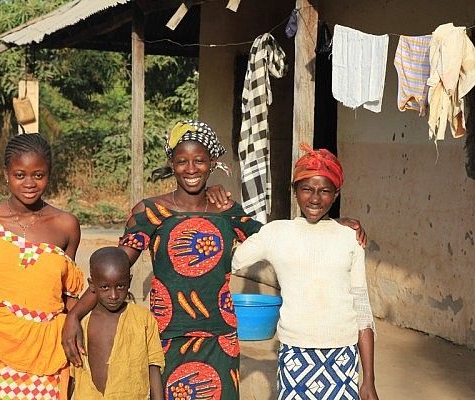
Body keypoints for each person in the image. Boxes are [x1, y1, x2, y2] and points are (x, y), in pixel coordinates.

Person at [62, 120, 365, 400]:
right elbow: (113, 271)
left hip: (220, 337)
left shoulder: (228, 211)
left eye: (200, 160)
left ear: (212, 164)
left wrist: (334, 223)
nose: (190, 168)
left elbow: (284, 237)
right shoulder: (150, 212)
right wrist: (75, 316)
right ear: (172, 164)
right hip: (166, 335)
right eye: (182, 161)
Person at [231, 144, 378, 400]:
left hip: (343, 354)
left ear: (336, 194)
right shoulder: (276, 233)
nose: (315, 199)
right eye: (307, 189)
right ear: (294, 191)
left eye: (325, 191)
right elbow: (230, 261)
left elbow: (362, 312)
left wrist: (368, 381)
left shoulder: (350, 238)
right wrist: (216, 203)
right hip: (295, 353)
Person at [0, 133, 84, 400]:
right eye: (20, 174)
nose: (29, 183)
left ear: (49, 174)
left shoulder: (66, 226)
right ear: (6, 174)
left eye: (38, 175)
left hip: (48, 355)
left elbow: (69, 301)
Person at [72, 247, 165, 400]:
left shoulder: (143, 319)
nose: (114, 295)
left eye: (120, 286)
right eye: (105, 287)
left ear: (129, 281)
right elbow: (72, 372)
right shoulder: (83, 322)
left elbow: (154, 365)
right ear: (92, 284)